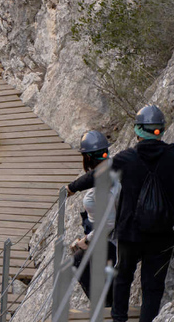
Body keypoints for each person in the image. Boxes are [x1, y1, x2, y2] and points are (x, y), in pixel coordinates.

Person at [66, 105, 174, 322]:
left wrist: (71, 188)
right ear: (161, 130)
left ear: (137, 131)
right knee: (152, 287)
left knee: (123, 277)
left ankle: (118, 319)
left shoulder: (126, 158)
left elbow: (95, 177)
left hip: (131, 233)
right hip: (165, 234)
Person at [67, 130, 118, 308]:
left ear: (87, 158)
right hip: (112, 237)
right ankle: (107, 307)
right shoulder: (112, 170)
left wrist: (86, 240)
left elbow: (110, 223)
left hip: (114, 240)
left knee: (78, 260)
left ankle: (104, 309)